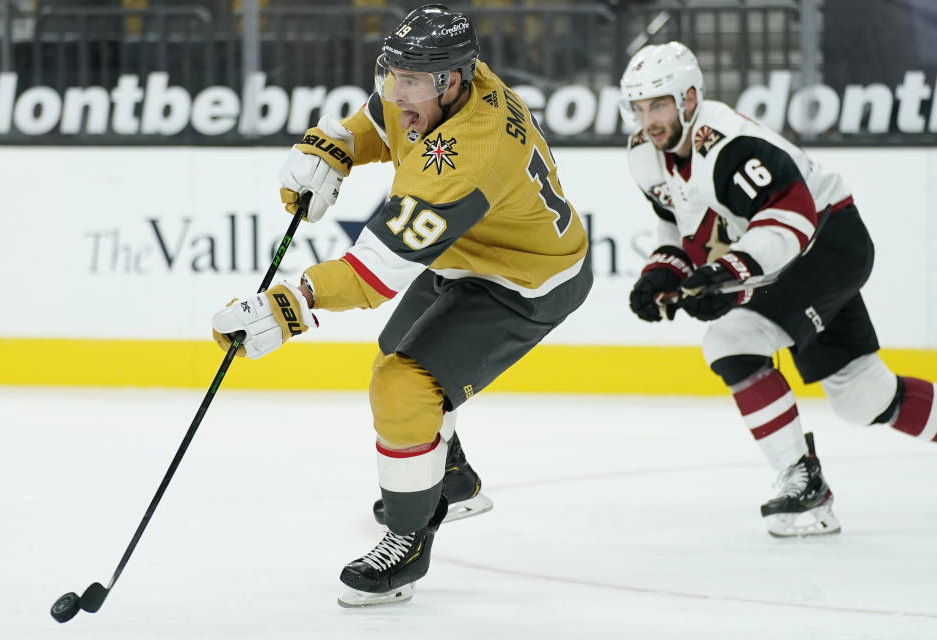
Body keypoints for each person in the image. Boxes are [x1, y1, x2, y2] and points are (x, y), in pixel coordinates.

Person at [211, 4, 592, 605]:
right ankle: (454, 479)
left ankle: (407, 541)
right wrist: (334, 144)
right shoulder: (441, 81)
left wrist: (293, 304)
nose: (396, 90)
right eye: (392, 73)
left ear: (452, 82)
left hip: (526, 281)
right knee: (399, 349)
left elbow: (372, 275)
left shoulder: (471, 152)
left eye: (410, 81)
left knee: (401, 386)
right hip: (470, 255)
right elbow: (383, 120)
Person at [620, 41, 937, 537]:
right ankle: (809, 484)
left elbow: (792, 216)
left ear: (688, 98)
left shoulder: (728, 145)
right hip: (787, 256)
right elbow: (680, 224)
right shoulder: (644, 153)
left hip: (827, 243)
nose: (648, 119)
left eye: (658, 104)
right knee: (863, 397)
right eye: (639, 107)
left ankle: (804, 484)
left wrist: (729, 274)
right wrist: (665, 269)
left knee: (731, 341)